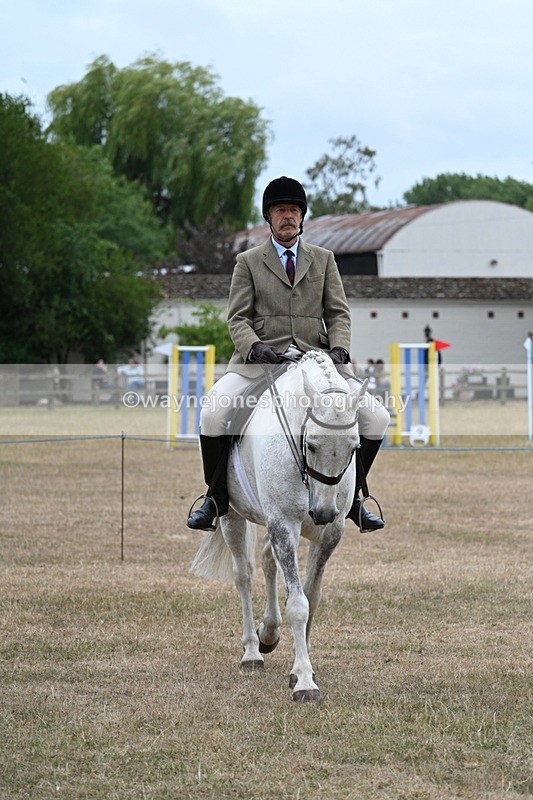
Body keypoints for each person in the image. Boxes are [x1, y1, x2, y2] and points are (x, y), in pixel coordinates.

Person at [187, 176, 390, 532]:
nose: (288, 216)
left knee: (377, 419)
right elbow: (237, 318)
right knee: (214, 413)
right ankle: (215, 496)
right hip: (263, 363)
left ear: (302, 216)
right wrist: (254, 348)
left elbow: (339, 313)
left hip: (318, 361)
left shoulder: (324, 259)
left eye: (293, 210)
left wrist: (340, 347)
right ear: (269, 217)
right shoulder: (248, 262)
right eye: (281, 210)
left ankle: (355, 497)